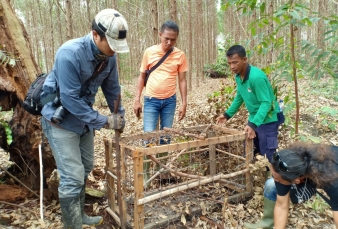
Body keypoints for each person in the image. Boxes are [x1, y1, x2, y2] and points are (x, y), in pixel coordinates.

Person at [40, 9, 128, 228]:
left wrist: (119, 115)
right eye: (110, 44)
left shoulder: (109, 58)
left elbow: (112, 89)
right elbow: (69, 98)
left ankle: (79, 215)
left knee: (86, 166)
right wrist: (105, 121)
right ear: (95, 35)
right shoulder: (69, 53)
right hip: (59, 120)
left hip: (83, 120)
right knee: (72, 176)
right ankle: (73, 225)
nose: (113, 51)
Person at [133, 20, 188, 183]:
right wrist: (136, 100)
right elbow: (142, 76)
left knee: (166, 137)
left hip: (170, 101)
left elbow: (183, 80)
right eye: (166, 39)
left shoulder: (180, 55)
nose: (169, 42)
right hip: (151, 100)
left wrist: (184, 103)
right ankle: (146, 176)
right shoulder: (149, 52)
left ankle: (161, 173)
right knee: (148, 137)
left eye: (173, 39)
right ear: (160, 35)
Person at [216, 44, 283, 162]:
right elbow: (240, 96)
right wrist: (227, 115)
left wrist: (253, 125)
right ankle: (253, 178)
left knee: (268, 155)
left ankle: (271, 179)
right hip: (254, 119)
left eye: (235, 62)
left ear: (244, 60)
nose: (232, 66)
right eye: (229, 63)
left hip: (268, 119)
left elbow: (266, 103)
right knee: (250, 151)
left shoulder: (256, 78)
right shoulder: (238, 76)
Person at [268, 143, 338, 228]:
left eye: (276, 178)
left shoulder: (333, 182)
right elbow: (281, 206)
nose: (274, 179)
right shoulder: (285, 167)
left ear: (296, 180)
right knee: (271, 184)